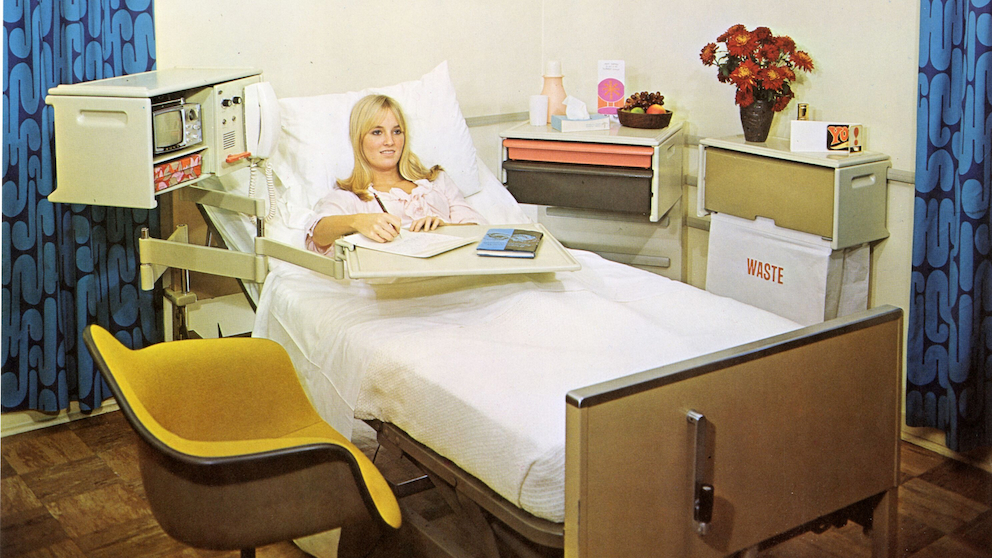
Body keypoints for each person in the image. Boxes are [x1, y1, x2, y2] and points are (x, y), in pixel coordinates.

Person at [305, 94, 485, 254]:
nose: (390, 141)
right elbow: (318, 234)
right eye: (377, 132)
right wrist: (358, 222)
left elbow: (479, 229)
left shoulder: (436, 182)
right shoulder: (352, 197)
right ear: (358, 140)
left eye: (397, 132)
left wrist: (445, 228)